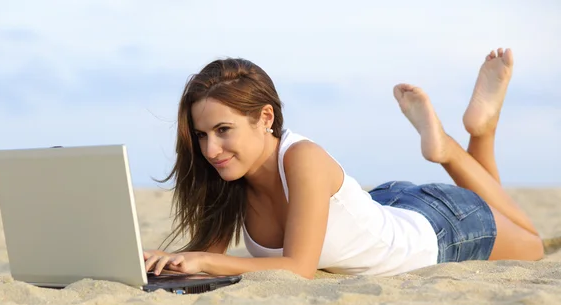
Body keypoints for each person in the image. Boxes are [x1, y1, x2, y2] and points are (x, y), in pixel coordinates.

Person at [143, 48, 544, 279]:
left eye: (223, 130)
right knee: (509, 218)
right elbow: (205, 260)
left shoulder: (302, 158)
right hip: (389, 204)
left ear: (265, 118)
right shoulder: (230, 179)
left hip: (441, 231)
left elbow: (299, 269)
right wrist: (166, 261)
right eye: (201, 135)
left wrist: (205, 260)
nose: (211, 149)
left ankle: (457, 148)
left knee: (533, 244)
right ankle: (483, 129)